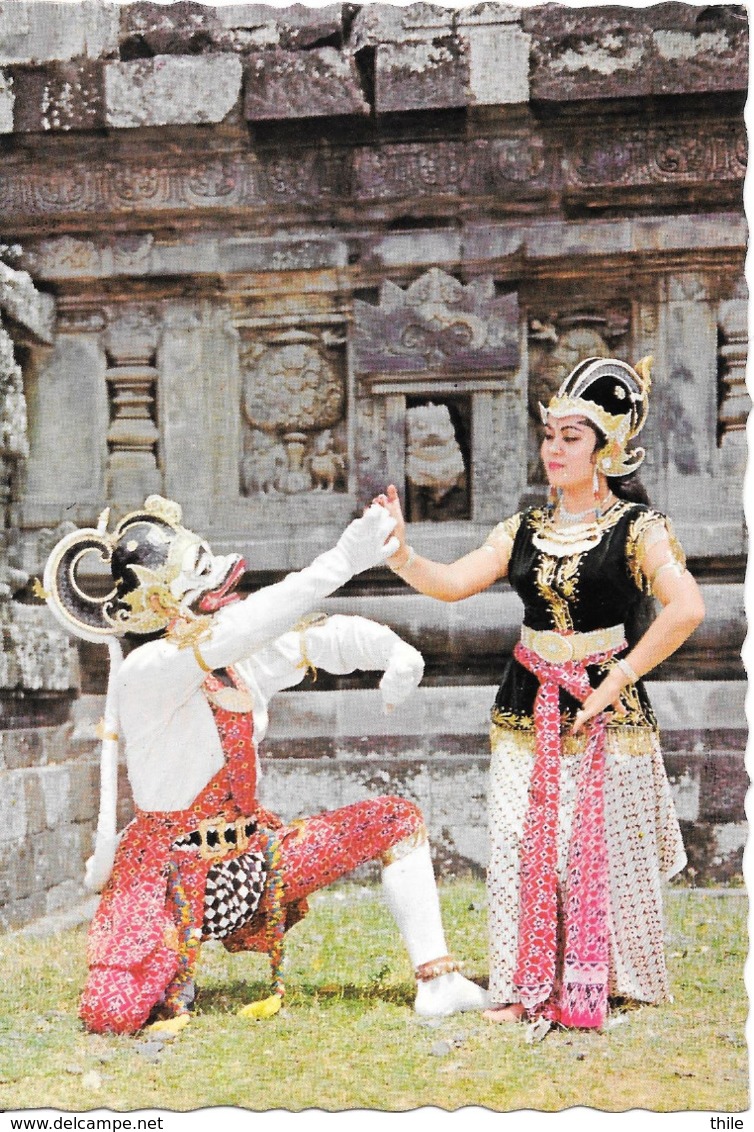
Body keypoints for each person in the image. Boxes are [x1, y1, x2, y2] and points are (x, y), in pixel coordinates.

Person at [42, 497, 488, 1035]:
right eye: (200, 574)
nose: (224, 580)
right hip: (172, 880)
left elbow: (311, 638)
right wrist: (344, 559)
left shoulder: (232, 660)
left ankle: (437, 982)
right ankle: (171, 967)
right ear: (160, 603)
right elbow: (257, 621)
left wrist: (396, 653)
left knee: (396, 820)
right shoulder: (150, 669)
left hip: (253, 865)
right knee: (112, 1015)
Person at [376, 357, 704, 1029]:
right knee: (520, 843)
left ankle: (612, 983)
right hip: (528, 699)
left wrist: (616, 679)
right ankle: (525, 985)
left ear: (607, 449)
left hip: (605, 703)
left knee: (604, 845)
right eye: (549, 435)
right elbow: (453, 582)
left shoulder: (638, 529)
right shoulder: (523, 529)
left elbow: (687, 609)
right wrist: (401, 555)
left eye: (571, 437)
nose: (553, 449)